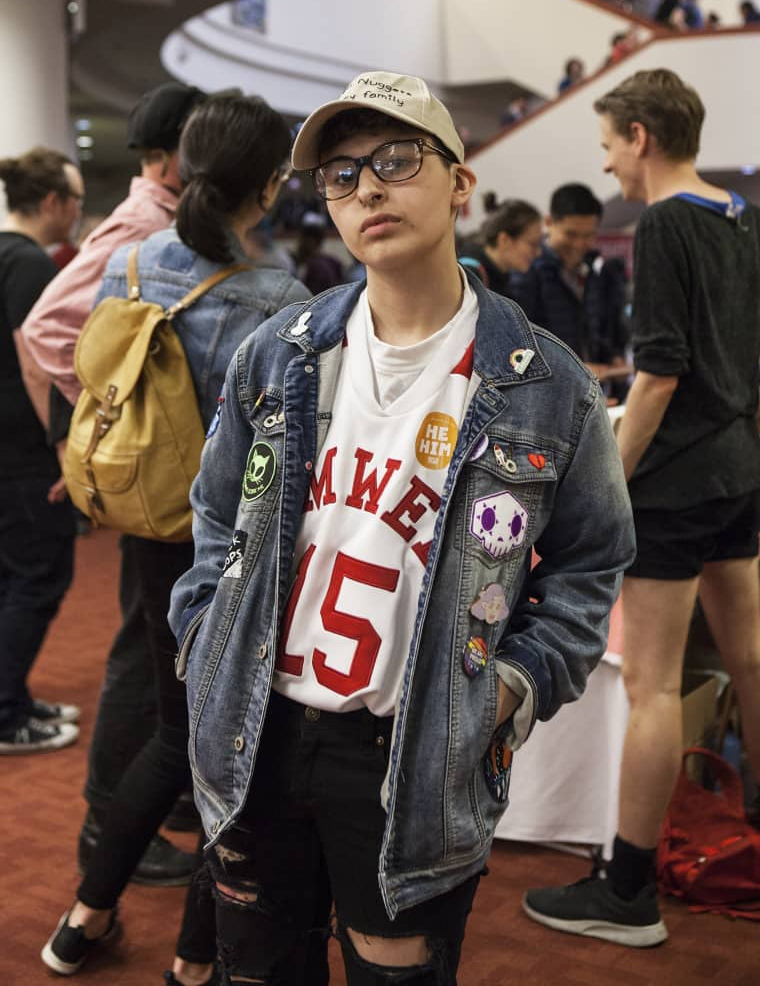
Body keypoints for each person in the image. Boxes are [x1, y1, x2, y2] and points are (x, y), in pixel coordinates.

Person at [167, 69, 635, 984]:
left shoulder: (548, 386)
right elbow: (216, 517)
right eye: (339, 175)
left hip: (411, 751)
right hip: (255, 729)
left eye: (395, 158)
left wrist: (506, 687)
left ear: (461, 181)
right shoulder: (283, 353)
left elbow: (591, 564)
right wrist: (204, 643)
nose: (367, 188)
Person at [42, 94, 308, 981]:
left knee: (172, 734)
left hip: (147, 528)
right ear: (269, 188)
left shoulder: (129, 260)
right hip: (234, 554)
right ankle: (195, 962)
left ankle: (82, 918)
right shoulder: (280, 298)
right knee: (237, 754)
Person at [523, 68, 760, 947]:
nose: (610, 163)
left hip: (679, 480)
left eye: (611, 144)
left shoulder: (662, 221)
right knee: (752, 657)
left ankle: (627, 889)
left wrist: (605, 486)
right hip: (739, 466)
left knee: (655, 685)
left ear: (642, 138)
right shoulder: (739, 214)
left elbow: (658, 373)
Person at [20, 82, 206, 887]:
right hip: (152, 475)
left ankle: (149, 798)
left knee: (160, 634)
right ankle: (108, 813)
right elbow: (46, 328)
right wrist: (94, 427)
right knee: (145, 641)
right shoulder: (143, 225)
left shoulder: (164, 221)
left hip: (166, 474)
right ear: (171, 155)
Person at [0, 148, 83, 754]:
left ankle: (12, 697)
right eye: (76, 201)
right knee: (38, 578)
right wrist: (63, 447)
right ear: (52, 202)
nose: (78, 213)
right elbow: (35, 365)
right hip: (25, 452)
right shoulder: (27, 263)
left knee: (12, 580)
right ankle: (6, 715)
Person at [521, 182, 627, 366]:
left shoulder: (595, 273)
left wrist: (611, 357)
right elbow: (520, 344)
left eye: (588, 235)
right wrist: (571, 371)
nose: (579, 244)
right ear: (548, 223)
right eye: (570, 234)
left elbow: (595, 331)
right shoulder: (527, 271)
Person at [459, 199, 542, 299]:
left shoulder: (502, 277)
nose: (538, 253)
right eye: (533, 244)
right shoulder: (471, 275)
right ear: (504, 240)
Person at [291, 212, 345, 295]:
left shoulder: (317, 267)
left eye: (301, 240)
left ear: (311, 241)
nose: (298, 244)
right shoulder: (333, 262)